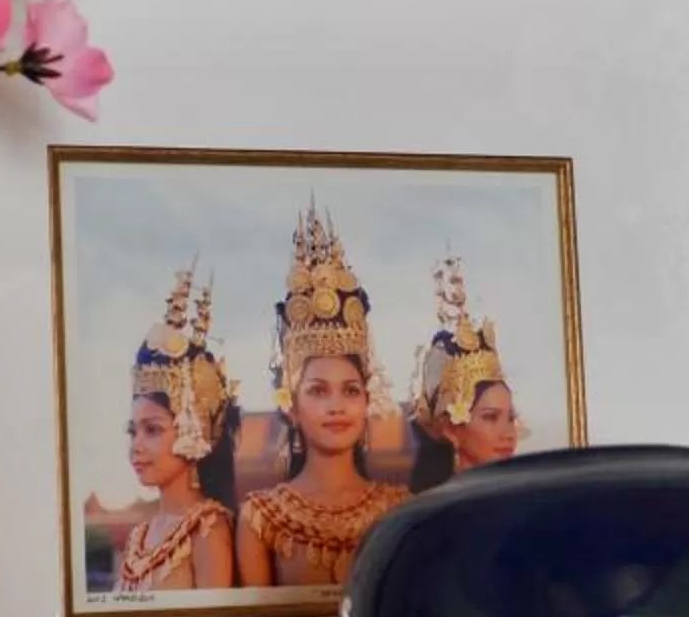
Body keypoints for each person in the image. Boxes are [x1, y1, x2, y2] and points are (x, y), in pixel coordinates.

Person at [238, 203, 407, 588]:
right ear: (292, 407)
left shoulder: (399, 509)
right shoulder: (261, 517)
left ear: (367, 401)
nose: (336, 406)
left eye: (350, 390)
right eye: (317, 390)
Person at [116, 268, 239, 590]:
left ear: (193, 432)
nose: (136, 446)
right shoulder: (139, 536)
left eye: (152, 430)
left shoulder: (207, 529)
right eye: (133, 431)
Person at [405, 255, 526, 494]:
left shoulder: (522, 499)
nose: (507, 433)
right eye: (490, 417)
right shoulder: (432, 510)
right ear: (451, 430)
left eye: (510, 418)